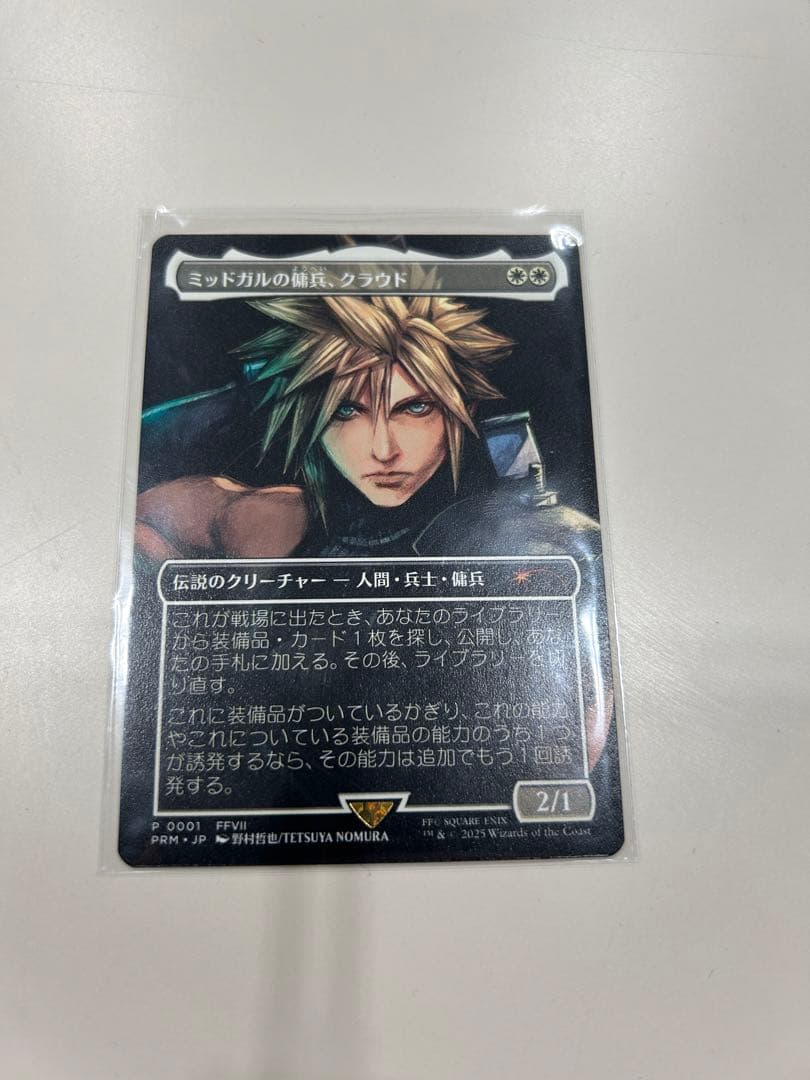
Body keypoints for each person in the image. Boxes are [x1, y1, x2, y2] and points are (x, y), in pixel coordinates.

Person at [135, 293, 513, 560]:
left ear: (464, 408)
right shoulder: (278, 519)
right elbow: (143, 518)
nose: (384, 451)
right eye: (346, 412)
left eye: (415, 408)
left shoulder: (498, 510)